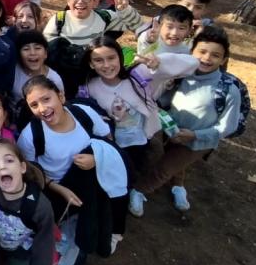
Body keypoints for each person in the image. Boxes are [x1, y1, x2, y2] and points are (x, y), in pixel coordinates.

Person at [17, 75, 122, 265]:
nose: (42, 108)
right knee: (52, 235)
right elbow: (31, 172)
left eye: (47, 99)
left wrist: (96, 159)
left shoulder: (84, 114)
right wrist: (59, 189)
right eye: (34, 105)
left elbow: (107, 141)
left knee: (84, 231)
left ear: (61, 96)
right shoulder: (31, 135)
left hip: (90, 186)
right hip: (55, 192)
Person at [82, 36, 197, 218]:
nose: (107, 65)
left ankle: (131, 191)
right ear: (90, 64)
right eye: (98, 60)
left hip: (143, 139)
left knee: (137, 168)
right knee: (117, 171)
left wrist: (160, 63)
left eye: (111, 58)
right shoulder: (89, 88)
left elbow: (192, 63)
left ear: (120, 57)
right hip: (115, 144)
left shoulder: (138, 75)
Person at [134, 26, 242, 213]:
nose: (207, 58)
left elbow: (228, 126)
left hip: (196, 141)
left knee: (164, 169)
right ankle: (178, 186)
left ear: (224, 60)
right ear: (192, 52)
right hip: (171, 130)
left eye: (215, 55)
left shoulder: (228, 89)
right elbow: (165, 98)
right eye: (202, 52)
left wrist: (194, 135)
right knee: (174, 160)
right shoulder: (182, 75)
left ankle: (138, 191)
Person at [11, 30, 64, 123]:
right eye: (26, 49)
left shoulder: (54, 79)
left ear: (45, 54)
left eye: (37, 48)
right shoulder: (12, 72)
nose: (32, 53)